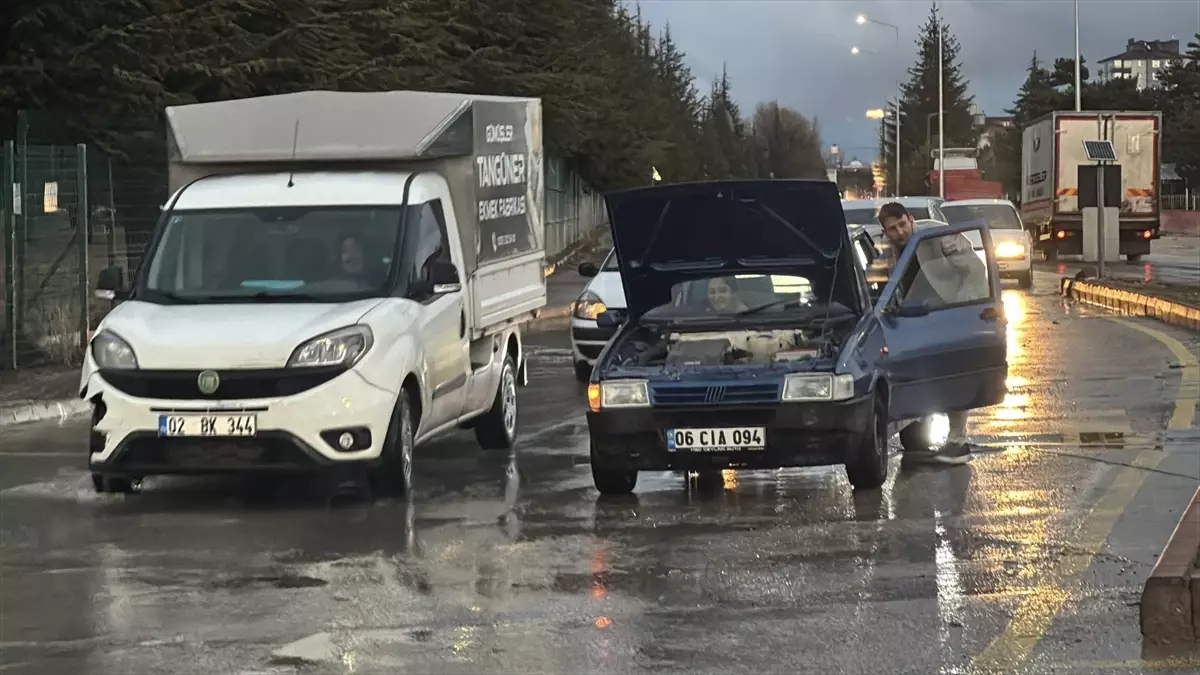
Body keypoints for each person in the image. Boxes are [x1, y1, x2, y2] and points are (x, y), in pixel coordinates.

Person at [876, 201, 976, 465]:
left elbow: (973, 267)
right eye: (892, 229)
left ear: (911, 219)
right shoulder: (886, 249)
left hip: (949, 313)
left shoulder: (936, 233)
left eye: (902, 224)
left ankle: (958, 441)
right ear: (885, 232)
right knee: (918, 376)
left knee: (953, 375)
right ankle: (917, 435)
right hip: (913, 320)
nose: (900, 232)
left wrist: (966, 307)